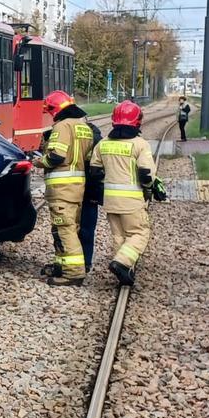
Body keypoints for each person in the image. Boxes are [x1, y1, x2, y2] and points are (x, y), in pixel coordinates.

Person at [88, 100, 158, 286]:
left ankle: (125, 271)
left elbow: (95, 171)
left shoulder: (103, 144)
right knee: (139, 233)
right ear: (137, 121)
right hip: (132, 201)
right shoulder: (140, 145)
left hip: (110, 201)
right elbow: (146, 174)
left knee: (119, 236)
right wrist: (150, 187)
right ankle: (122, 262)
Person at [37, 90, 96, 286]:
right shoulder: (84, 127)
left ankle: (73, 273)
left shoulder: (62, 126)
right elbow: (87, 159)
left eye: (50, 111)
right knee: (67, 228)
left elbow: (56, 157)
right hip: (77, 188)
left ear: (55, 109)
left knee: (65, 230)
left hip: (62, 188)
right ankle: (61, 265)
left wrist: (39, 161)